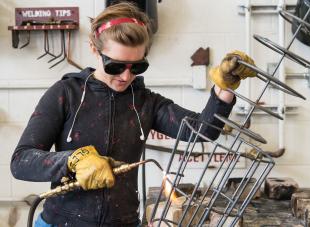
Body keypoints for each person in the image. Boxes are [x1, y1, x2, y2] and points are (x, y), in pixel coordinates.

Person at [10, 2, 256, 227]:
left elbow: (204, 130)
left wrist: (223, 89)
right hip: (60, 222)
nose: (126, 76)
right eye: (115, 66)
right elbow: (21, 161)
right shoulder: (66, 94)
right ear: (94, 50)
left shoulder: (145, 102)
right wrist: (73, 160)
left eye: (137, 67)